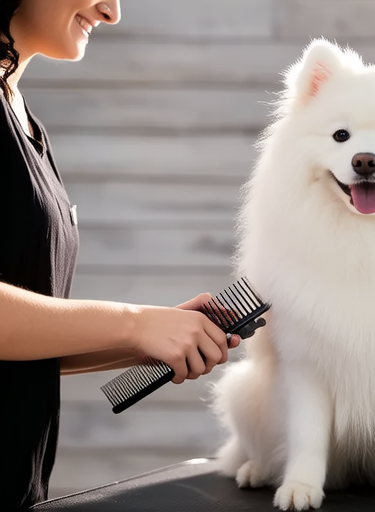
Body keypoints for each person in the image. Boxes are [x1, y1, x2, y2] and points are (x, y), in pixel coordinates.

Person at [0, 1, 241, 508]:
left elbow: (19, 347)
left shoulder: (25, 121)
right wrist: (133, 323)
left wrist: (150, 340)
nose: (111, 11)